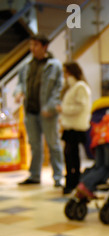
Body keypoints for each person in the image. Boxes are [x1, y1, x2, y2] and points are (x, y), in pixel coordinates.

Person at [14, 33, 64, 187]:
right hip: (31, 111)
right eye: (31, 45)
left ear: (44, 47)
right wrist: (19, 93)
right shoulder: (27, 65)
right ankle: (34, 175)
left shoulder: (54, 66)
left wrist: (50, 107)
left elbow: (59, 89)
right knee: (34, 145)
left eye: (35, 45)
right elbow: (20, 83)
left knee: (53, 144)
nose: (32, 48)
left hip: (47, 113)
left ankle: (58, 177)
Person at [74, 100, 109, 201]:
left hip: (98, 140)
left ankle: (82, 183)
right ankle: (86, 185)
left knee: (98, 166)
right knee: (107, 168)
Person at [56, 62, 91, 194]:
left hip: (76, 126)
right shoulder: (72, 87)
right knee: (69, 155)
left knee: (72, 155)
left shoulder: (80, 87)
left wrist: (63, 109)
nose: (64, 75)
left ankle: (73, 181)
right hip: (70, 126)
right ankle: (70, 180)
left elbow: (81, 106)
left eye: (65, 72)